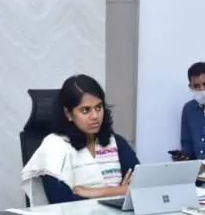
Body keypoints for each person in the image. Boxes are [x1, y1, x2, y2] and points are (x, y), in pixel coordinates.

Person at [21, 75, 139, 205]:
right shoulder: (54, 146)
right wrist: (121, 190)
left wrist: (93, 192)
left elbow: (141, 187)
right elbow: (63, 201)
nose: (95, 116)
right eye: (85, 110)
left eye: (98, 107)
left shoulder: (115, 142)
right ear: (68, 114)